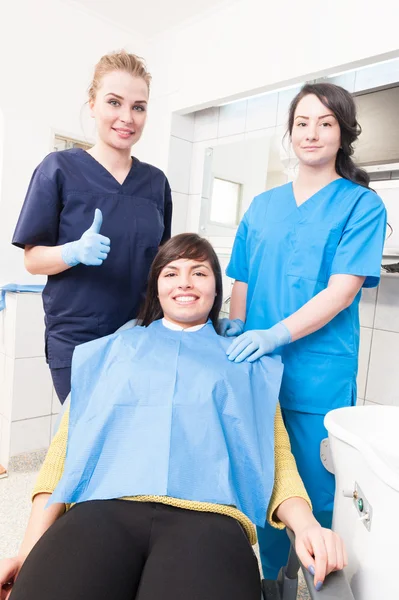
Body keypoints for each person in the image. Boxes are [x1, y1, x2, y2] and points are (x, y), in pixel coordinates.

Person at [0, 234, 347, 600]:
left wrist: (308, 527)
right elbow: (61, 459)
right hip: (101, 511)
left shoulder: (247, 363)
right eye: (171, 273)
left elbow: (277, 459)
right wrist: (27, 555)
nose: (184, 282)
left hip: (210, 521)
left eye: (199, 273)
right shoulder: (110, 352)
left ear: (217, 289)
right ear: (156, 288)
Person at [224, 83, 387, 580]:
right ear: (290, 133)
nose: (311, 133)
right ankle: (273, 579)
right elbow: (243, 279)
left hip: (317, 376)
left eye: (325, 123)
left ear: (343, 134)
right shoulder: (263, 205)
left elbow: (341, 291)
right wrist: (236, 327)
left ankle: (313, 581)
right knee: (262, 482)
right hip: (257, 371)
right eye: (302, 123)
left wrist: (274, 334)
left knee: (316, 494)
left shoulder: (361, 206)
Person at [12, 50, 172, 404]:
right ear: (93, 104)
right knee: (87, 439)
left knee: (129, 442)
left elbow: (163, 264)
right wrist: (72, 252)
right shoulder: (58, 169)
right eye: (114, 102)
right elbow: (33, 259)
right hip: (77, 337)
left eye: (139, 107)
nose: (126, 117)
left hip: (140, 334)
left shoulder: (155, 183)